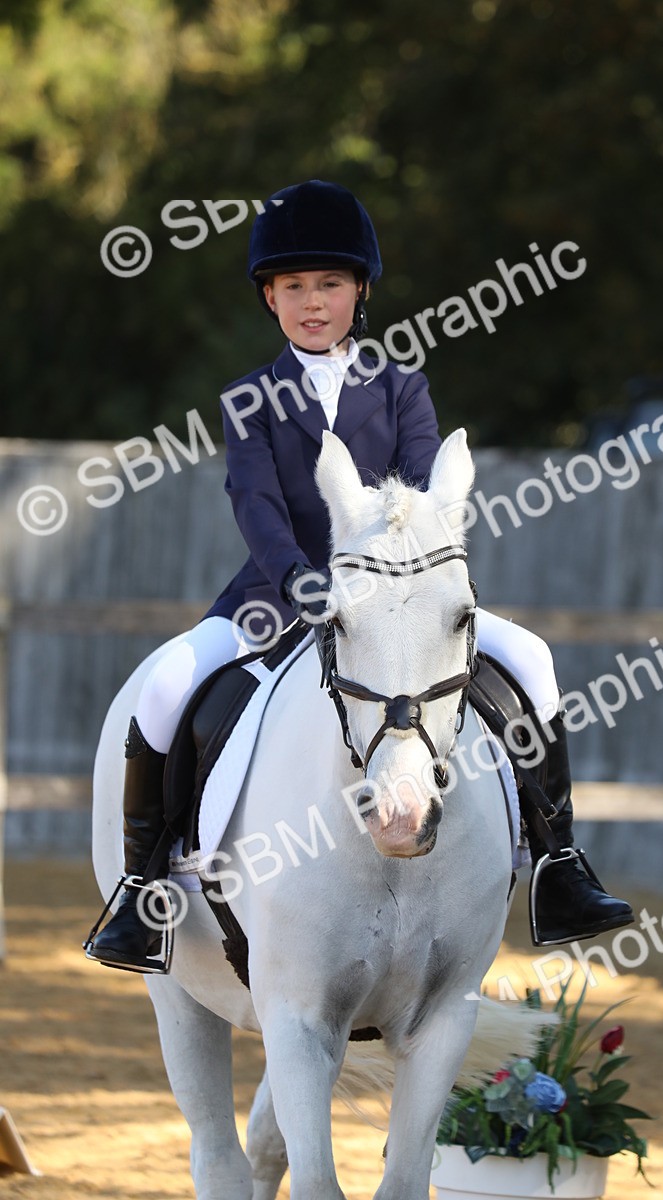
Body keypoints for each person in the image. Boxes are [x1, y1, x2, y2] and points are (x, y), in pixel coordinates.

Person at [86, 179, 632, 972]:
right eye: (295, 286)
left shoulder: (403, 387)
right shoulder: (249, 398)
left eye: (331, 284)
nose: (314, 302)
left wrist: (391, 582)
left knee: (536, 663)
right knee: (167, 686)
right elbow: (256, 503)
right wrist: (300, 578)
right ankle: (142, 892)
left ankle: (559, 863)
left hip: (398, 603)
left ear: (360, 291)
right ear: (270, 297)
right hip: (273, 598)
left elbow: (421, 496)